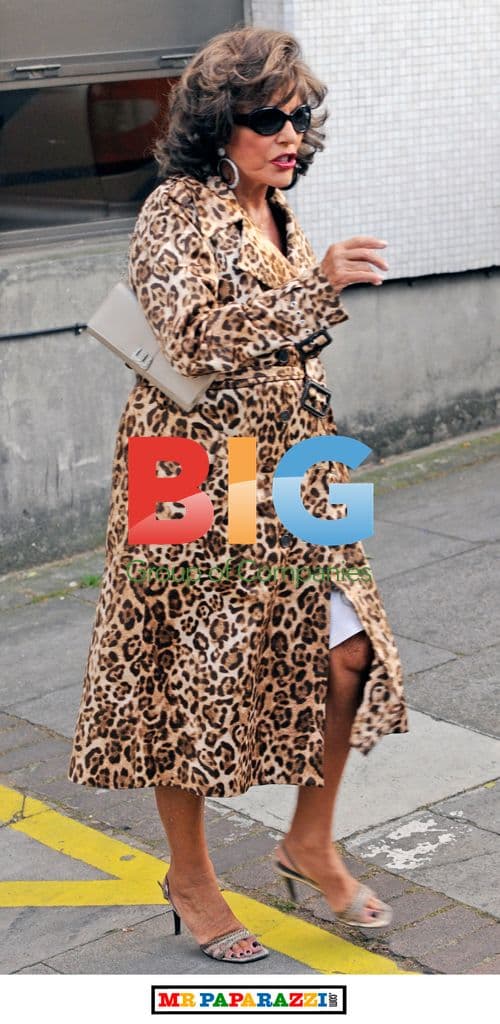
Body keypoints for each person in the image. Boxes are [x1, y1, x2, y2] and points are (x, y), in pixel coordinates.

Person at [68, 26, 408, 963]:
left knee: (349, 648)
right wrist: (318, 292)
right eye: (269, 117)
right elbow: (189, 341)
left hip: (296, 470)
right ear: (220, 124)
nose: (290, 133)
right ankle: (192, 879)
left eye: (300, 117)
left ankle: (307, 839)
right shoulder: (176, 210)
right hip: (186, 471)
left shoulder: (280, 212)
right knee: (186, 678)